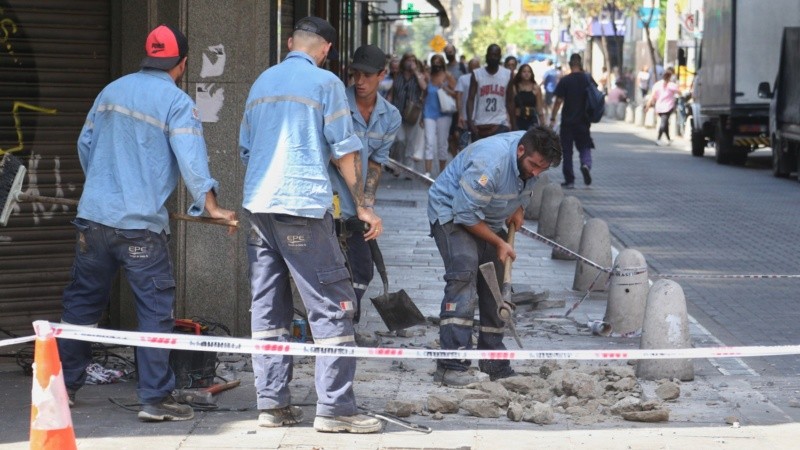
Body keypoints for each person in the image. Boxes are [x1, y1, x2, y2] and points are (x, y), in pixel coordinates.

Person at [58, 24, 237, 422]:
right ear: (183, 63)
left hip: (94, 220)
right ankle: (155, 400)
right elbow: (192, 160)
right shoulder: (176, 102)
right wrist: (211, 207)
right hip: (140, 228)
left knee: (81, 307)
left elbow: (84, 145)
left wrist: (104, 186)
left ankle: (63, 390)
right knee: (154, 312)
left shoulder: (111, 91)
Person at [239, 16, 382, 434]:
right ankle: (336, 409)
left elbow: (246, 149)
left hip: (259, 208)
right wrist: (363, 208)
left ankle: (272, 404)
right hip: (301, 205)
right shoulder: (326, 85)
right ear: (326, 50)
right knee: (334, 304)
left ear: (289, 43)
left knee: (268, 309)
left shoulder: (261, 82)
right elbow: (344, 151)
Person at [427, 126, 562, 386]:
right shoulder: (491, 163)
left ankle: (492, 362)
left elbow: (526, 185)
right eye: (533, 165)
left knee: (495, 288)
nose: (535, 172)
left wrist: (520, 207)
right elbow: (465, 215)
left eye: (542, 169)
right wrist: (499, 242)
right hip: (452, 213)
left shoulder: (532, 155)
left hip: (487, 216)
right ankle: (450, 365)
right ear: (521, 150)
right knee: (464, 273)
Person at [327, 44, 401, 334]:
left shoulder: (390, 115)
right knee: (333, 270)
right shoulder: (336, 104)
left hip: (358, 204)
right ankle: (333, 328)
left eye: (367, 75)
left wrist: (367, 204)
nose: (359, 81)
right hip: (329, 200)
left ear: (382, 75)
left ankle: (347, 324)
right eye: (355, 74)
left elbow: (376, 164)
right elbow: (338, 156)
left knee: (362, 269)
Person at [549, 53, 597, 189]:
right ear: (581, 64)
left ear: (570, 64)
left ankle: (569, 181)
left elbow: (558, 101)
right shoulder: (588, 79)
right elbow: (596, 95)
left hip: (568, 122)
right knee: (585, 147)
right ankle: (586, 165)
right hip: (584, 121)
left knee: (567, 152)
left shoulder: (565, 81)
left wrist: (552, 118)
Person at [388, 52, 426, 171]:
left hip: (412, 114)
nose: (410, 63)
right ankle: (398, 165)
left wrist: (415, 72)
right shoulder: (397, 75)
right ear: (403, 61)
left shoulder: (418, 75)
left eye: (412, 60)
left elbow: (424, 87)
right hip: (397, 112)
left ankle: (409, 168)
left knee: (411, 141)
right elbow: (392, 92)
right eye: (408, 60)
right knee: (399, 139)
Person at [467, 44, 514, 140]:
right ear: (486, 56)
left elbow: (510, 101)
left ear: (500, 57)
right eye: (491, 55)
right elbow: (470, 99)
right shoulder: (477, 74)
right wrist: (470, 122)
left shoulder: (507, 74)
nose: (493, 57)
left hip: (500, 123)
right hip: (480, 123)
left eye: (496, 55)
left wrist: (513, 124)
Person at [422, 53, 457, 177]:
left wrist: (445, 88)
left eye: (438, 62)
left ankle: (442, 172)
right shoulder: (428, 76)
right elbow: (424, 95)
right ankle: (427, 171)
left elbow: (456, 93)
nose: (436, 65)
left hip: (444, 114)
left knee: (442, 144)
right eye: (434, 62)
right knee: (429, 142)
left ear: (443, 63)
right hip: (429, 113)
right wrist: (421, 115)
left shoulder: (448, 76)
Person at [644, 68, 679, 145]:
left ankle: (668, 139)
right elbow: (679, 92)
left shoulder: (657, 84)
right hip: (668, 107)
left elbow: (652, 97)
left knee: (665, 122)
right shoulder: (672, 85)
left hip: (659, 107)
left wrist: (647, 106)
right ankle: (658, 138)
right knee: (664, 123)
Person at [444, 44, 466, 157]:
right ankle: (454, 158)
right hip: (447, 105)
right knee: (450, 136)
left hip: (460, 104)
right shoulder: (444, 68)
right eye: (447, 52)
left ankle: (461, 155)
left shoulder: (462, 67)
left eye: (451, 51)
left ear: (455, 52)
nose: (449, 54)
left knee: (458, 134)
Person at [455, 57, 481, 151]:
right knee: (463, 145)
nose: (474, 68)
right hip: (465, 118)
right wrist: (460, 115)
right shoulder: (463, 79)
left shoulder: (482, 79)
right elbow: (458, 97)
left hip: (479, 119)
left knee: (477, 145)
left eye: (476, 66)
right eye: (472, 66)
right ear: (468, 67)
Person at [511, 63, 545, 131]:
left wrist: (543, 125)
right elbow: (511, 106)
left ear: (531, 74)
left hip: (532, 121)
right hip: (518, 120)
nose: (526, 73)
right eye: (524, 71)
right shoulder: (514, 88)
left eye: (529, 72)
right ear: (520, 73)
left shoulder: (536, 88)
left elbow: (539, 109)